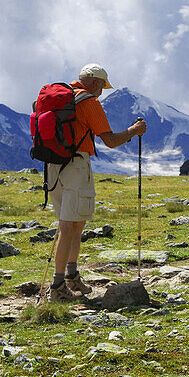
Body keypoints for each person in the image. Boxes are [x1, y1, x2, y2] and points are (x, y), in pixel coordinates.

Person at [48, 64, 146, 302]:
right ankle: (59, 285)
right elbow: (110, 141)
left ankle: (71, 277)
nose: (102, 91)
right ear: (95, 83)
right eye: (102, 86)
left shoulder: (60, 97)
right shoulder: (88, 101)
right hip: (76, 165)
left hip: (52, 165)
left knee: (74, 222)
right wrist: (134, 130)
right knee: (69, 225)